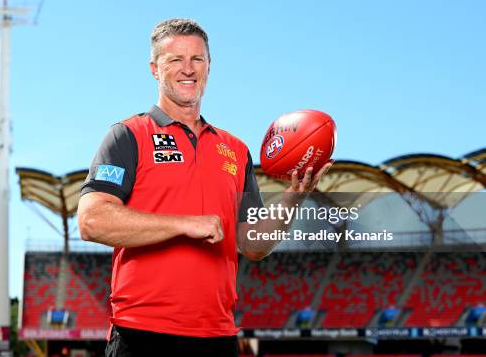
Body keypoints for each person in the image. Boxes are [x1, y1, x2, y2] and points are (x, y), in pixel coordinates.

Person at [78, 18, 331, 356]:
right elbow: (92, 220)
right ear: (155, 68)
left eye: (197, 59)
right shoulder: (128, 135)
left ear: (209, 67)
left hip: (218, 337)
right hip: (141, 335)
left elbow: (252, 245)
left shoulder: (237, 150)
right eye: (175, 60)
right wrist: (184, 224)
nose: (188, 69)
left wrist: (293, 199)